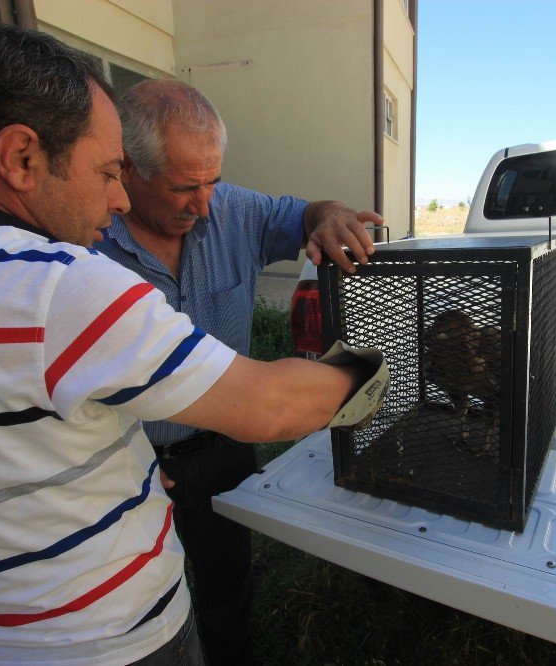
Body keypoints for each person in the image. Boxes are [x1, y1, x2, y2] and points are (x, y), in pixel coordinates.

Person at [0, 24, 385, 666]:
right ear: (21, 156)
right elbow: (271, 405)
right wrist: (381, 360)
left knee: (230, 598)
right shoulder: (56, 283)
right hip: (105, 640)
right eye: (108, 171)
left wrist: (121, 468)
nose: (113, 197)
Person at [93, 80, 383, 665]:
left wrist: (328, 216)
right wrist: (375, 372)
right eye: (183, 188)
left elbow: (303, 214)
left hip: (224, 450)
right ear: (127, 170)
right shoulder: (87, 242)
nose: (203, 206)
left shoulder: (232, 210)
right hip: (134, 468)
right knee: (138, 609)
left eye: (212, 182)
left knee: (228, 589)